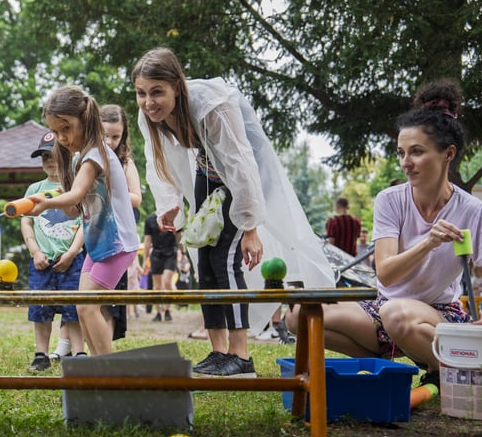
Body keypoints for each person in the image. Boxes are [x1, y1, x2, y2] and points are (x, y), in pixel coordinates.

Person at [131, 47, 333, 377]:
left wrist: (249, 225)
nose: (148, 102)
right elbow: (159, 161)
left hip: (243, 177)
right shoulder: (149, 115)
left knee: (225, 260)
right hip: (207, 174)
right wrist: (170, 205)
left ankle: (241, 356)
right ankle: (218, 351)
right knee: (204, 263)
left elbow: (241, 164)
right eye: (141, 93)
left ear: (177, 87)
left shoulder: (211, 105)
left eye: (157, 92)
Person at [285, 78, 482, 388]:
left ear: (448, 154)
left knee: (396, 314)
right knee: (297, 317)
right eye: (401, 152)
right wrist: (429, 241)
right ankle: (388, 366)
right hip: (384, 310)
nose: (406, 162)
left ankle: (444, 369)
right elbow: (387, 275)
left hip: (438, 315)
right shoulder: (390, 200)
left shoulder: (472, 210)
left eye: (416, 152)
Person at [27, 86, 140, 356]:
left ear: (85, 121)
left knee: (88, 306)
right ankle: (100, 368)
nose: (61, 138)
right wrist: (64, 202)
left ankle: (110, 371)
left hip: (118, 244)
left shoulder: (96, 153)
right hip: (99, 244)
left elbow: (75, 194)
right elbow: (76, 206)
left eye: (66, 128)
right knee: (81, 306)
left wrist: (46, 203)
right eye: (55, 132)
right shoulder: (81, 157)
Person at [21, 131, 86, 371]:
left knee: (74, 308)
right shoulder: (35, 188)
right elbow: (26, 220)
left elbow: (83, 222)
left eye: (55, 155)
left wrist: (71, 253)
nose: (49, 160)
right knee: (40, 309)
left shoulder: (76, 187)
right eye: (44, 156)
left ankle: (79, 352)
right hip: (42, 261)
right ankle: (41, 354)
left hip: (72, 260)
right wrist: (35, 251)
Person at [100, 103, 142, 340]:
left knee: (110, 300)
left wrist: (112, 194)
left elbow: (136, 197)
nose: (110, 142)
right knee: (90, 300)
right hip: (93, 236)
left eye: (116, 137)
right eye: (105, 135)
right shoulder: (90, 160)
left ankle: (104, 348)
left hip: (116, 239)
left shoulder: (125, 162)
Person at [142, 213, 179, 322]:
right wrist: (145, 259)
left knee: (167, 281)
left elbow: (179, 236)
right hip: (156, 254)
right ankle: (158, 313)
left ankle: (167, 309)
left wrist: (183, 252)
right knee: (156, 287)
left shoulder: (173, 218)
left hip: (171, 253)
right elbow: (147, 241)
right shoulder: (150, 220)